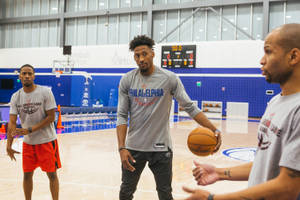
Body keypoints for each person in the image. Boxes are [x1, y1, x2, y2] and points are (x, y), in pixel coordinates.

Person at [183, 23, 300, 200]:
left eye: (268, 51)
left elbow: (287, 187)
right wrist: (219, 172)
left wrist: (211, 199)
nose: (262, 60)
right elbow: (266, 163)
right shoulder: (276, 101)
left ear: (293, 56)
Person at [116, 35, 222, 200]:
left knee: (165, 194)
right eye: (137, 55)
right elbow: (122, 115)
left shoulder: (169, 79)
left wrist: (213, 129)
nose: (141, 59)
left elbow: (190, 107)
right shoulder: (127, 80)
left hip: (161, 148)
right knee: (125, 192)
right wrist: (122, 148)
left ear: (152, 54)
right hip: (133, 149)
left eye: (144, 54)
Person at [6, 64, 61, 200]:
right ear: (20, 76)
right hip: (29, 144)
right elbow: (12, 122)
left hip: (47, 141)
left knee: (52, 175)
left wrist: (29, 130)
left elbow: (51, 117)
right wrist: (9, 145)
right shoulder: (16, 97)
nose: (27, 76)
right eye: (24, 73)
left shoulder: (45, 92)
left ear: (34, 76)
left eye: (29, 73)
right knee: (26, 175)